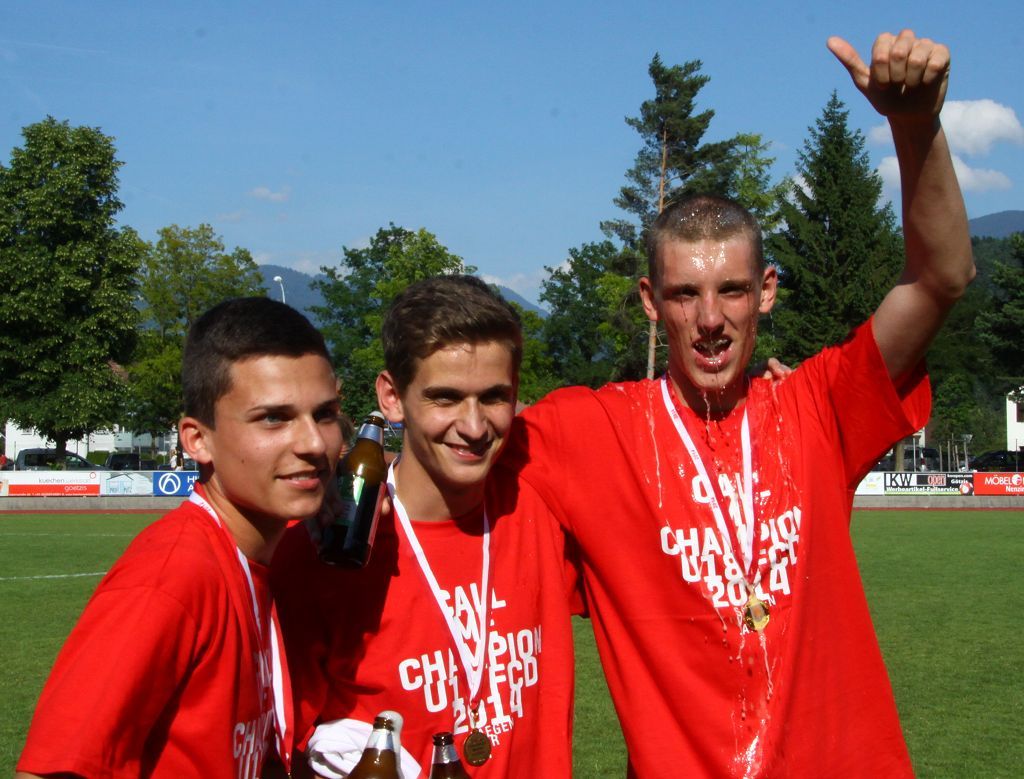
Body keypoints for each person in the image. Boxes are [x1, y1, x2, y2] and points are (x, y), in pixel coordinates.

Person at [499, 30, 974, 777]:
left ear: (766, 291)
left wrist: (915, 128)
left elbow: (941, 277)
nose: (711, 319)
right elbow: (455, 448)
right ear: (651, 301)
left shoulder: (819, 407)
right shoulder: (588, 431)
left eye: (732, 290)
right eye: (685, 294)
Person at [16, 297, 345, 779]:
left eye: (325, 414)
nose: (313, 443)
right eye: (273, 418)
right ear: (196, 440)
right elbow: (53, 770)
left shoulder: (256, 555)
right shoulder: (172, 577)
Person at [272, 276, 581, 777]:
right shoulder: (323, 550)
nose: (474, 426)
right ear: (392, 397)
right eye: (446, 398)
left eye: (494, 397)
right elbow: (279, 749)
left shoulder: (543, 507)